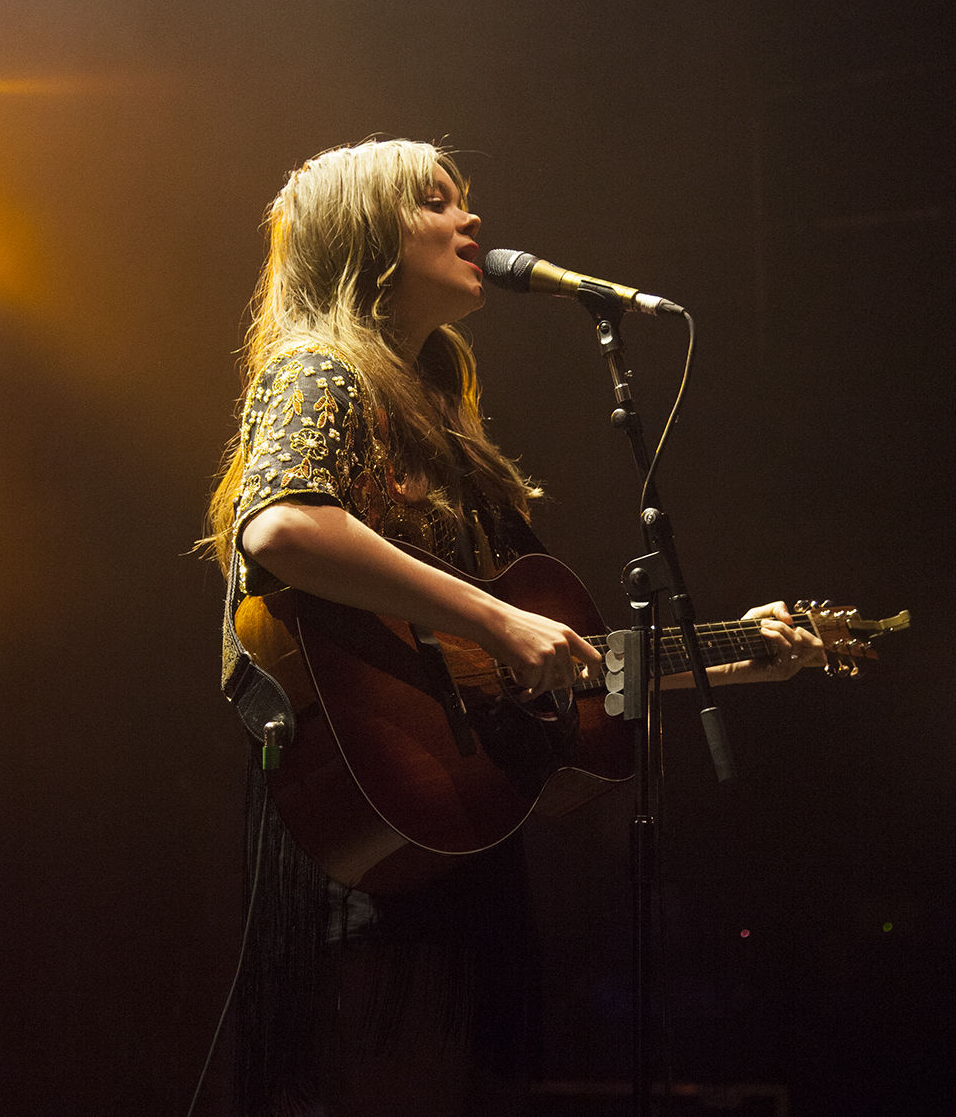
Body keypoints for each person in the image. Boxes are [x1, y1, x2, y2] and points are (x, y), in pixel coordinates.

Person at [205, 138, 825, 1117]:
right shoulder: (321, 370)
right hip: (362, 792)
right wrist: (500, 619)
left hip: (445, 811)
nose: (472, 220)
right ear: (365, 234)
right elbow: (281, 527)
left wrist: (736, 659)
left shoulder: (436, 403)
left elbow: (534, 664)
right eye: (436, 201)